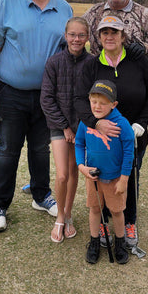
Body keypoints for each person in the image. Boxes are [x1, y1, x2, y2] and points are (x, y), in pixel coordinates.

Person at [0, 0, 73, 232]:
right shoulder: (6, 3)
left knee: (40, 149)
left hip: (48, 96)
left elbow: (69, 53)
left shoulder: (65, 9)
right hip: (10, 92)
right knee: (8, 149)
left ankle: (41, 195)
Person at [75, 14, 148, 249]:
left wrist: (142, 123)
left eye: (115, 32)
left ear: (123, 36)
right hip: (99, 140)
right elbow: (79, 100)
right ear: (99, 37)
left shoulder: (138, 61)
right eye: (105, 32)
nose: (109, 36)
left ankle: (129, 221)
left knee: (129, 177)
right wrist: (95, 122)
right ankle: (102, 221)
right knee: (101, 178)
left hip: (133, 135)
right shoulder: (92, 65)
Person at [40, 17, 92, 243]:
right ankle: (59, 216)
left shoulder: (92, 64)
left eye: (81, 35)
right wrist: (64, 126)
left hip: (80, 127)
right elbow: (46, 99)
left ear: (87, 37)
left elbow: (94, 99)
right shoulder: (53, 62)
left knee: (73, 172)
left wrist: (80, 126)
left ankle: (68, 214)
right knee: (61, 174)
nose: (76, 39)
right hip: (59, 126)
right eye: (72, 34)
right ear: (65, 36)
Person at [75, 80, 134, 264]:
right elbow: (79, 143)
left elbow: (129, 151)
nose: (97, 106)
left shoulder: (122, 124)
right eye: (94, 102)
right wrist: (81, 167)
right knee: (94, 209)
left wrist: (124, 179)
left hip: (115, 179)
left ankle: (119, 242)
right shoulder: (87, 122)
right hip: (93, 177)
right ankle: (94, 242)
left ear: (113, 104)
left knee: (117, 212)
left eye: (103, 102)